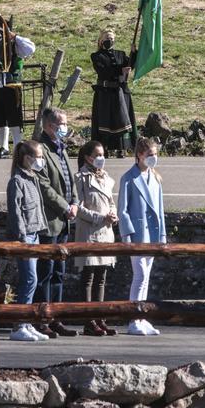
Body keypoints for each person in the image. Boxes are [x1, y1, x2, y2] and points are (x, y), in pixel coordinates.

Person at [34, 107, 78, 337]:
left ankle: (56, 317)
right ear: (49, 125)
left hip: (64, 220)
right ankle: (42, 318)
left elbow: (70, 181)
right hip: (51, 220)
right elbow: (43, 186)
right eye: (61, 124)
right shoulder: (40, 149)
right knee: (46, 272)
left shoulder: (61, 149)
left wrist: (75, 203)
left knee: (59, 271)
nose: (64, 127)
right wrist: (64, 206)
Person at [118, 137, 164, 336]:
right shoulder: (128, 178)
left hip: (152, 234)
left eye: (155, 154)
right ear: (139, 155)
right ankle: (133, 318)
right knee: (140, 275)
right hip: (138, 235)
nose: (153, 158)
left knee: (146, 277)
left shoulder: (155, 178)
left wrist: (162, 235)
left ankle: (142, 316)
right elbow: (123, 210)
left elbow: (160, 209)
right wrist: (127, 235)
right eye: (149, 155)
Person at [6, 140, 50, 342]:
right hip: (26, 237)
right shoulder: (17, 181)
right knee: (29, 279)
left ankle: (27, 322)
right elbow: (16, 213)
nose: (41, 160)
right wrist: (23, 238)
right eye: (38, 156)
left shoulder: (32, 178)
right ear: (27, 158)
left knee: (32, 279)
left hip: (35, 233)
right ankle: (19, 324)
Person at [74, 140, 118, 336]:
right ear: (88, 157)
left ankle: (100, 317)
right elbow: (79, 208)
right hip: (90, 231)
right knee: (88, 275)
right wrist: (100, 218)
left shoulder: (106, 177)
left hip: (106, 231)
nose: (102, 159)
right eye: (98, 155)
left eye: (103, 155)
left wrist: (113, 214)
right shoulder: (81, 178)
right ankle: (88, 319)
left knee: (102, 276)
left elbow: (111, 201)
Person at [0, 27, 36, 158]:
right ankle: (3, 147)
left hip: (12, 86)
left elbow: (31, 48)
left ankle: (17, 147)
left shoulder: (15, 43)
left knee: (14, 117)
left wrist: (15, 37)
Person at [91, 29, 137, 155]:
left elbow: (130, 64)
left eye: (111, 39)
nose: (109, 41)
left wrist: (134, 53)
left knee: (121, 119)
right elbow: (103, 71)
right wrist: (120, 71)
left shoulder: (120, 54)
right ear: (100, 41)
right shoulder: (96, 56)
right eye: (106, 38)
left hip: (120, 92)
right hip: (105, 93)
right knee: (106, 121)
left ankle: (121, 149)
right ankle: (103, 148)